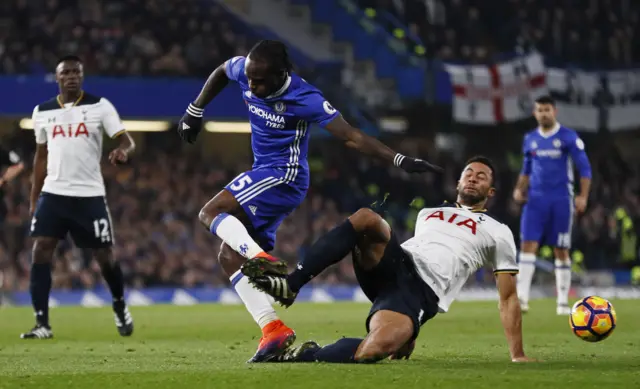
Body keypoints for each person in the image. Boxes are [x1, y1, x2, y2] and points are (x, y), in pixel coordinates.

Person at [176, 40, 441, 362]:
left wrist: (398, 159)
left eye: (260, 81)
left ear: (281, 74)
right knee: (229, 255)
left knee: (210, 211)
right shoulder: (246, 71)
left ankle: (261, 258)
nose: (252, 86)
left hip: (284, 175)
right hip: (265, 172)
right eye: (250, 79)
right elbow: (221, 71)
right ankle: (273, 330)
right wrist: (195, 109)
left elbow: (352, 136)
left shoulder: (305, 98)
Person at [242, 156, 535, 364]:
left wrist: (517, 353)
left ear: (491, 192)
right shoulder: (427, 213)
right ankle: (292, 284)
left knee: (374, 350)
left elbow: (508, 298)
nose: (473, 177)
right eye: (469, 173)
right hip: (396, 263)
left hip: (418, 293)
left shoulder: (498, 232)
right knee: (367, 218)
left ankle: (304, 355)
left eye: (481, 176)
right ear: (458, 181)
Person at [22, 55, 136, 339]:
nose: (71, 76)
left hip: (89, 194)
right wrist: (34, 198)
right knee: (41, 250)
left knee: (104, 257)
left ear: (82, 77)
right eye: (66, 72)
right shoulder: (43, 111)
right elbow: (40, 157)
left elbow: (126, 139)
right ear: (57, 77)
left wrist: (123, 151)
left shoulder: (100, 106)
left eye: (76, 72)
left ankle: (120, 305)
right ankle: (42, 324)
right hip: (54, 192)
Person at [513, 95, 591, 315]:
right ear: (534, 113)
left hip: (561, 200)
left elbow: (584, 168)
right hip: (535, 200)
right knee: (528, 245)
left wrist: (583, 196)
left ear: (554, 111)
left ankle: (563, 302)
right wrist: (519, 189)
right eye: (540, 110)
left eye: (547, 109)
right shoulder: (530, 139)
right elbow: (526, 169)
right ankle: (522, 299)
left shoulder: (568, 136)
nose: (544, 113)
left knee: (561, 249)